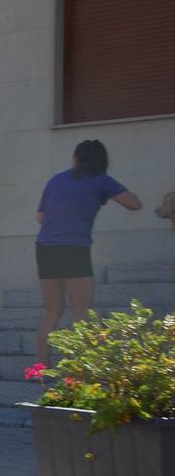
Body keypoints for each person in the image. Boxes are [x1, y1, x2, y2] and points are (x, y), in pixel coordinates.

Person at [35, 139, 142, 364]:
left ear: (76, 158)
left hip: (45, 248)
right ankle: (78, 373)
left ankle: (40, 370)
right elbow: (134, 204)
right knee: (82, 311)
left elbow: (41, 217)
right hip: (74, 248)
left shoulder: (56, 180)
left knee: (52, 311)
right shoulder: (101, 180)